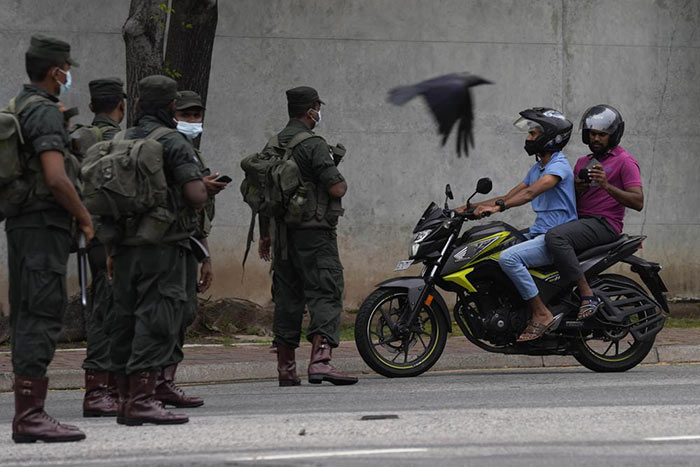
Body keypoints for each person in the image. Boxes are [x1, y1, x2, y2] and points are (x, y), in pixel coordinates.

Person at [108, 75, 207, 426]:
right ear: (170, 108)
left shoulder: (121, 138)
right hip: (162, 247)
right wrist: (205, 189)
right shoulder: (172, 141)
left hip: (123, 245)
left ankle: (122, 397)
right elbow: (195, 196)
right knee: (157, 319)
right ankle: (142, 399)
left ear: (136, 105)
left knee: (124, 319)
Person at [7, 35, 90, 443]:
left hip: (23, 224)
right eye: (66, 68)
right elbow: (56, 178)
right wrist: (85, 218)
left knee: (28, 312)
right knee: (42, 312)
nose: (68, 74)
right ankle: (30, 415)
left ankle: (29, 412)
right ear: (55, 70)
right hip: (43, 226)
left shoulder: (19, 106)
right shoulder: (42, 112)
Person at [259, 86, 357, 386]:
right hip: (315, 234)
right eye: (317, 107)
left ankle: (286, 369)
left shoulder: (274, 143)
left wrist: (265, 236)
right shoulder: (314, 144)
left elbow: (265, 193)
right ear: (312, 108)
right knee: (326, 291)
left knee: (287, 298)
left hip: (282, 235)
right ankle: (321, 361)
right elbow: (336, 187)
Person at [464, 107, 576, 342]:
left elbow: (530, 194)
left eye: (533, 134)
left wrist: (498, 208)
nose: (528, 138)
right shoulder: (538, 168)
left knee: (509, 258)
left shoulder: (558, 166)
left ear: (550, 136)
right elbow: (507, 195)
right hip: (540, 233)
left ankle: (541, 313)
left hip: (556, 237)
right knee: (495, 252)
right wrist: (466, 208)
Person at [153, 90, 227, 408]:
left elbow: (197, 215)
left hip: (188, 243)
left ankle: (165, 381)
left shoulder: (193, 156)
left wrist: (206, 256)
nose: (193, 121)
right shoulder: (165, 149)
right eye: (186, 116)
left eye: (197, 116)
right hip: (163, 244)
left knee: (184, 313)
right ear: (173, 116)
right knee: (164, 314)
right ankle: (153, 383)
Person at [545, 105, 643, 320]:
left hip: (605, 224)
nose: (596, 138)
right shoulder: (583, 162)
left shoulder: (624, 161)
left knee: (556, 237)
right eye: (592, 134)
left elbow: (638, 201)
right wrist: (577, 189)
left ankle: (587, 294)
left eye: (602, 135)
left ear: (613, 135)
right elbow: (571, 199)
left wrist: (607, 185)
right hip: (580, 221)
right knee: (539, 234)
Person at [80, 78, 126, 418]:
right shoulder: (116, 141)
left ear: (93, 105)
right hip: (111, 236)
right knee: (108, 311)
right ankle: (98, 391)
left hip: (88, 235)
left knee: (107, 306)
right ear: (120, 107)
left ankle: (110, 387)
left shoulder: (80, 137)